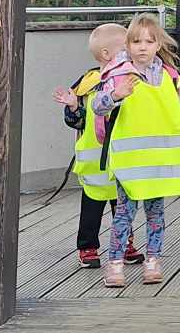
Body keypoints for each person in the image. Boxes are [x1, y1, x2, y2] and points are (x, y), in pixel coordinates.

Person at [94, 13, 180, 287]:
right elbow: (97, 106)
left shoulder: (168, 76)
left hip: (158, 159)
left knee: (156, 213)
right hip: (130, 161)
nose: (142, 47)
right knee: (124, 214)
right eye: (137, 41)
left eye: (149, 41)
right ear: (127, 44)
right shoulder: (118, 74)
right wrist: (115, 95)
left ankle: (153, 259)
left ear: (158, 45)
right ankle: (115, 263)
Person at [54, 22, 137, 268]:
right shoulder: (87, 84)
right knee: (92, 206)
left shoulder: (129, 81)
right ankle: (87, 247)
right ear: (106, 54)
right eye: (125, 48)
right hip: (94, 161)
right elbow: (79, 121)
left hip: (119, 157)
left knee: (123, 206)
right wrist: (73, 107)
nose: (131, 52)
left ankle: (125, 243)